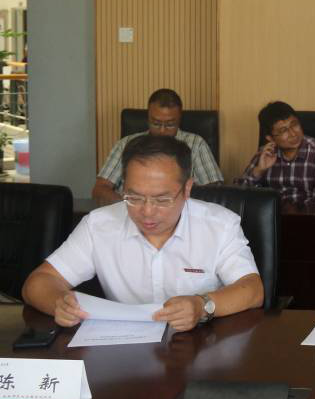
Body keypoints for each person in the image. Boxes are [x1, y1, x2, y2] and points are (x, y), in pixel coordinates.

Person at [23, 135, 263, 332]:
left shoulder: (220, 225)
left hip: (201, 346)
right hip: (123, 351)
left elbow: (252, 290)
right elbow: (38, 282)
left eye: (162, 199)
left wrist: (203, 305)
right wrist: (59, 303)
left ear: (187, 189)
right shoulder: (98, 225)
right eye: (134, 197)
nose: (147, 212)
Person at [93, 88, 222, 204]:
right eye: (156, 123)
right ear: (148, 118)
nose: (162, 131)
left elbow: (215, 192)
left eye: (170, 125)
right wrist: (129, 206)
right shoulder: (126, 144)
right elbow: (100, 189)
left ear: (179, 119)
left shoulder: (196, 144)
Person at [236, 101, 315, 204]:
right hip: (270, 213)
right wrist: (258, 171)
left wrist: (295, 212)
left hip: (307, 213)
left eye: (294, 124)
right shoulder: (265, 154)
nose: (293, 134)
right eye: (283, 130)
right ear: (270, 138)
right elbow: (237, 196)